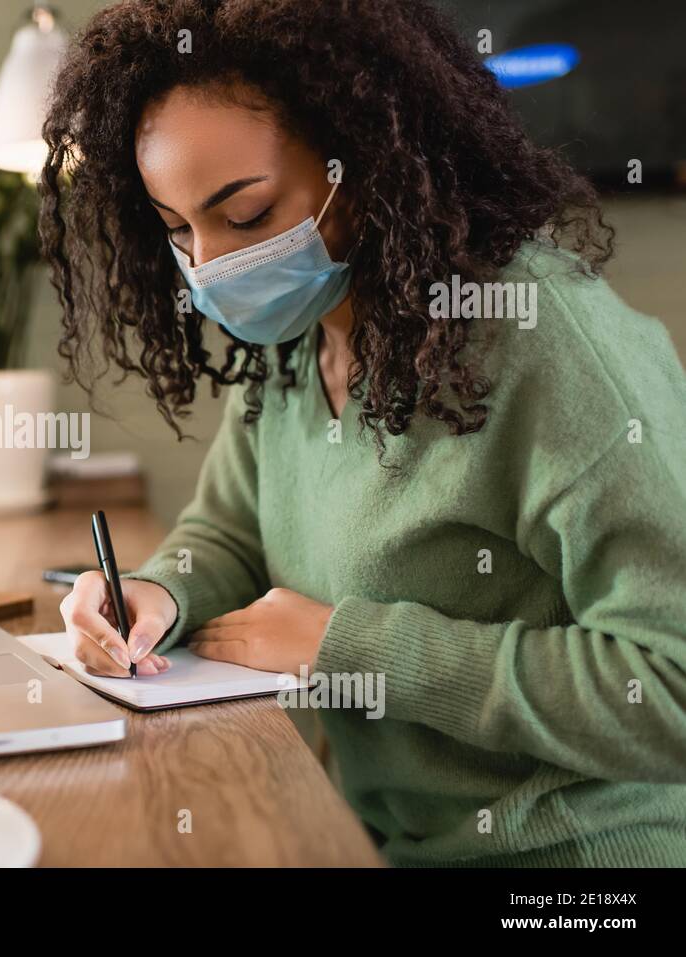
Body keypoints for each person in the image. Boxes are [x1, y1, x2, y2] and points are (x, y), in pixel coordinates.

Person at [41, 0, 686, 866]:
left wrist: (357, 649)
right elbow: (229, 532)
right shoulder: (299, 335)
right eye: (177, 232)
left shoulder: (545, 340)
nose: (213, 268)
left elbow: (672, 688)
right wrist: (156, 597)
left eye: (248, 215)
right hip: (377, 841)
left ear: (370, 158)